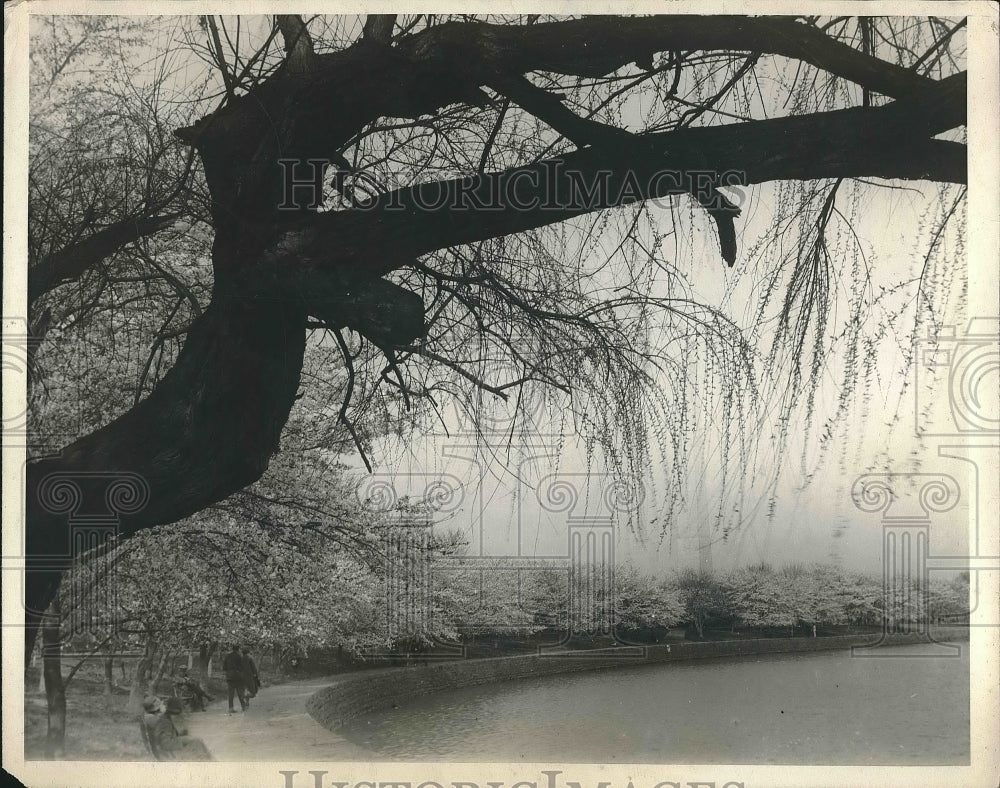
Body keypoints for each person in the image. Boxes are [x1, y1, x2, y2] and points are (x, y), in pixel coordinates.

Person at [141, 695, 211, 760]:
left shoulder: (152, 717)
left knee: (196, 741)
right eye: (162, 704)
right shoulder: (159, 720)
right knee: (197, 741)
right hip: (165, 749)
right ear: (157, 707)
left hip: (160, 747)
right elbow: (165, 743)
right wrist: (184, 740)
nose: (165, 706)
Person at [222, 644, 247, 713]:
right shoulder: (239, 656)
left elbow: (224, 667)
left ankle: (230, 708)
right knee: (240, 692)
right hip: (238, 677)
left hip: (229, 677)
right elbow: (242, 667)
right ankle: (243, 707)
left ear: (232, 649)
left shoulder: (227, 656)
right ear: (238, 649)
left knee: (230, 694)